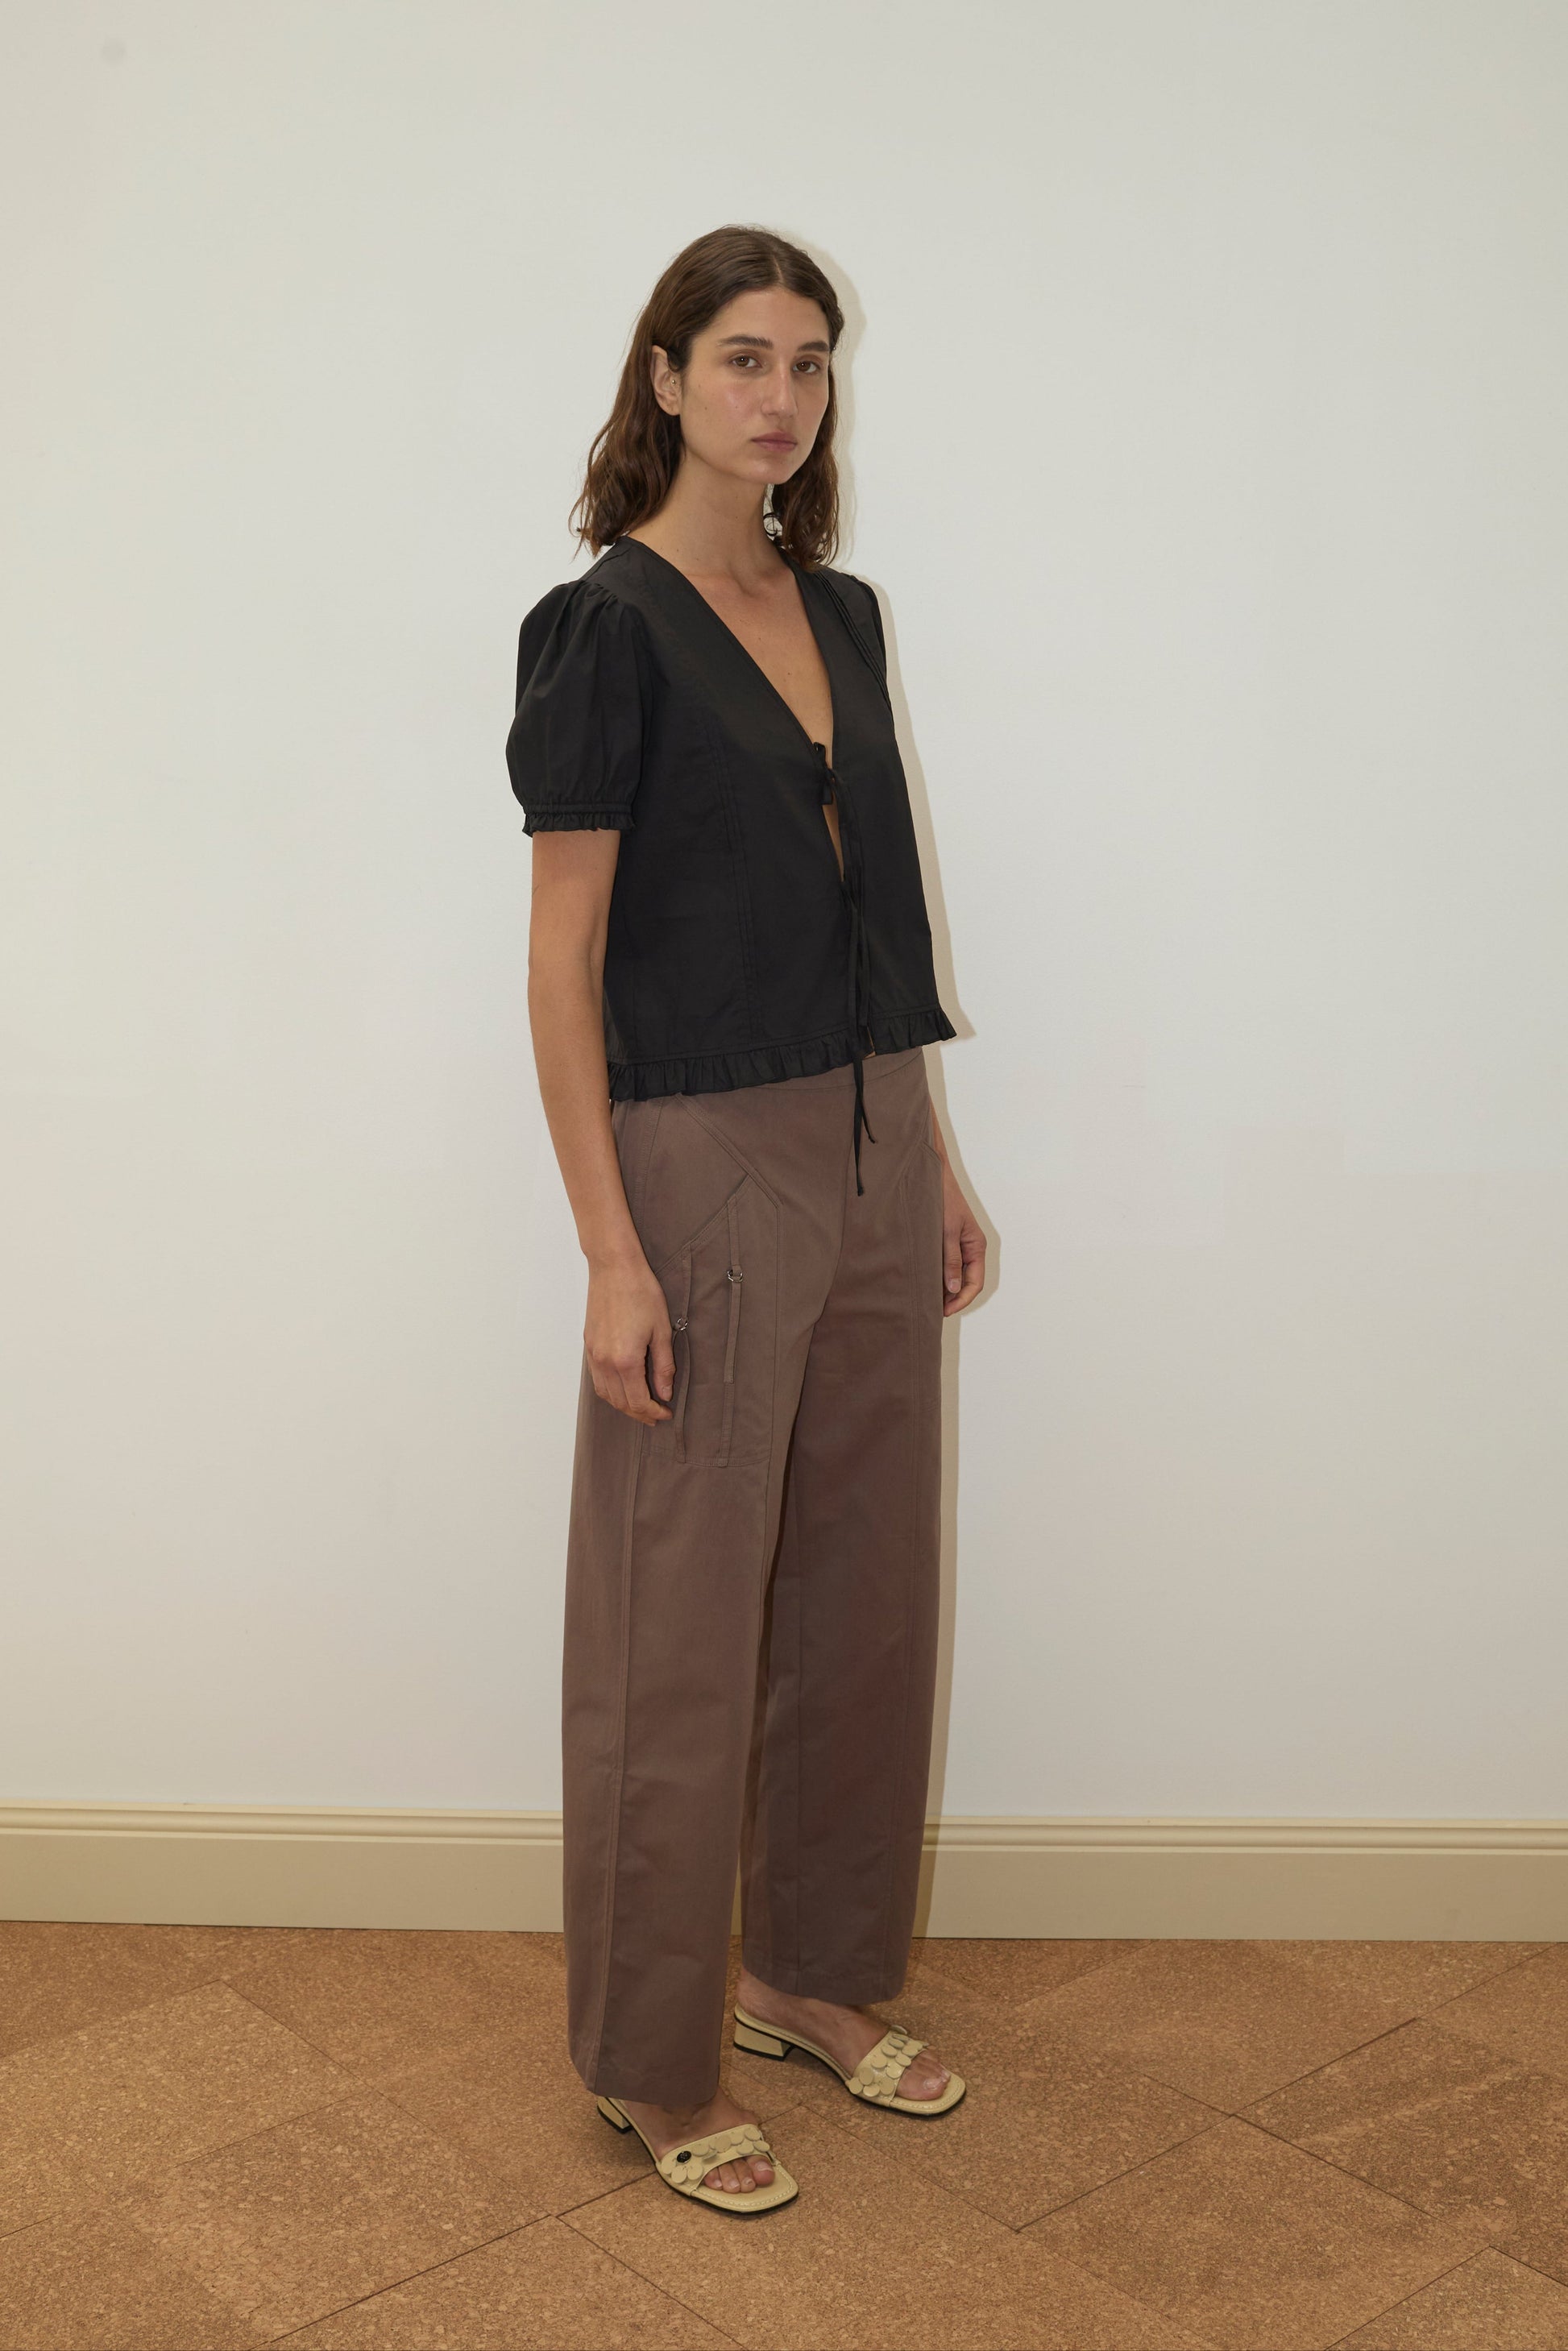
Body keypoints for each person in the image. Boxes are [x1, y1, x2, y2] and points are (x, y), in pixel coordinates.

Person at [505, 224, 985, 2214]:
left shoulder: (843, 611)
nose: (782, 394)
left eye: (810, 360)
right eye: (744, 356)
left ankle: (807, 1971)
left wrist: (934, 1148)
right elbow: (562, 960)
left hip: (875, 1132)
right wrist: (611, 1245)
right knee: (676, 1623)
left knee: (867, 1590)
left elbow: (879, 905)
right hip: (700, 1155)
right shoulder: (604, 624)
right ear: (668, 377)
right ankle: (645, 2053)